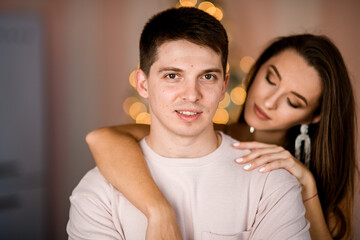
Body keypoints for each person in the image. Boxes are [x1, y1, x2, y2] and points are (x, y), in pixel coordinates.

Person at [67, 7, 311, 240]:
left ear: (224, 85)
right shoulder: (98, 191)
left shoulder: (271, 183)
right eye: (172, 76)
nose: (191, 95)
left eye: (207, 77)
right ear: (143, 84)